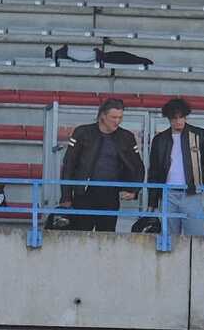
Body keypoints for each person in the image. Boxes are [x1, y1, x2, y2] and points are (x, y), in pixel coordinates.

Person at [58, 99, 144, 232]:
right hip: (84, 193)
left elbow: (138, 166)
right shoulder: (82, 132)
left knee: (107, 234)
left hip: (111, 193)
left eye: (120, 117)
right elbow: (68, 165)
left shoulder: (126, 136)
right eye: (113, 117)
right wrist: (66, 196)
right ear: (103, 115)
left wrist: (134, 190)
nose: (117, 121)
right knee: (81, 234)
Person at [146, 97, 204, 238]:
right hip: (167, 194)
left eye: (181, 117)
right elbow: (154, 171)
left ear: (186, 116)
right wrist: (152, 202)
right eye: (174, 118)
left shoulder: (200, 135)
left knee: (195, 237)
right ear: (168, 119)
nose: (178, 121)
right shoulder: (159, 139)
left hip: (192, 193)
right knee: (168, 238)